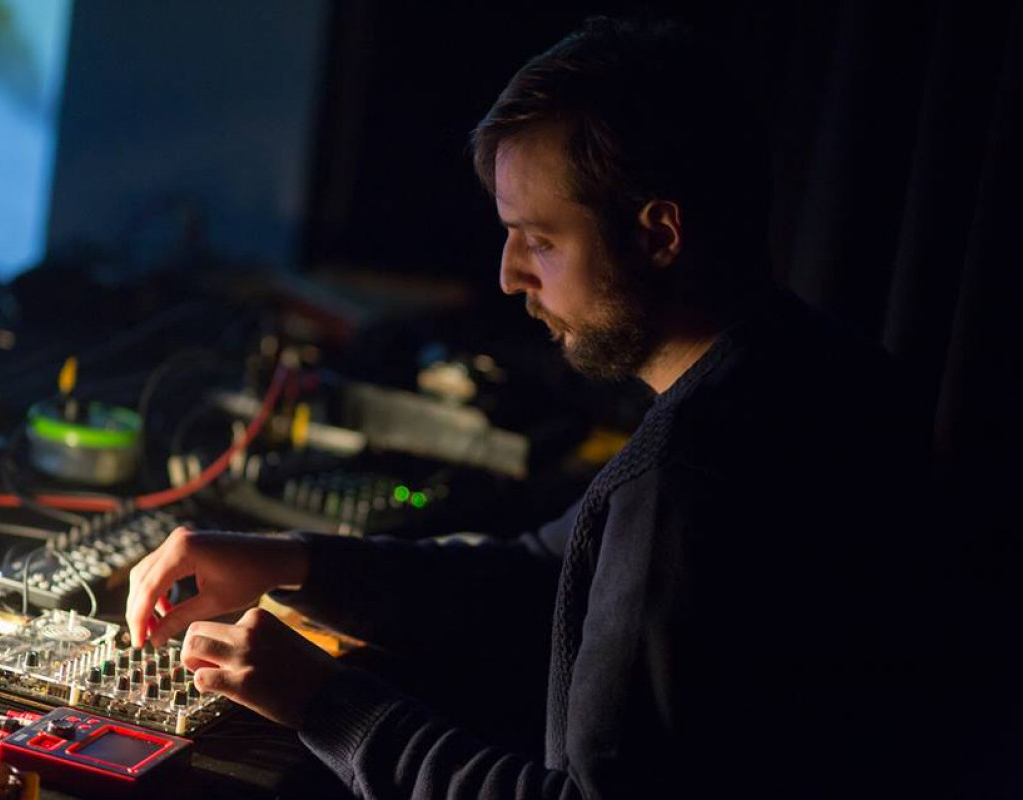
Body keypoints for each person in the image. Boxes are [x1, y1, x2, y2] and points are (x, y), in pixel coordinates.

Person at [127, 16, 932, 798]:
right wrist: (298, 563)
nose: (511, 275)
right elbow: (544, 578)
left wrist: (321, 701)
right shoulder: (820, 369)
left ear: (659, 234)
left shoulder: (689, 476)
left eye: (540, 240)